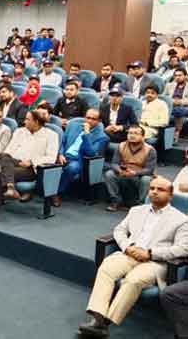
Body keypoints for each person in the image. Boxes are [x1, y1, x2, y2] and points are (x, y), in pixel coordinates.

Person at [78, 177, 188, 338]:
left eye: (160, 189)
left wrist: (150, 253)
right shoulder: (137, 210)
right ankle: (98, 318)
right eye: (152, 188)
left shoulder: (181, 220)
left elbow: (183, 248)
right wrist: (127, 247)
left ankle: (106, 324)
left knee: (134, 280)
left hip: (155, 262)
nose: (154, 192)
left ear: (171, 195)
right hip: (130, 254)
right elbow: (119, 230)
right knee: (107, 266)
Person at [0, 110, 59, 223]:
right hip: (14, 163)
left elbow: (51, 157)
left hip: (32, 168)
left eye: (27, 119)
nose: (24, 122)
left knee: (3, 174)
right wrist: (11, 160)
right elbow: (9, 151)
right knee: (4, 156)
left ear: (36, 121)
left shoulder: (51, 135)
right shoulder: (19, 132)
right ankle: (10, 187)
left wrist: (31, 162)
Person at [51, 109, 109, 206]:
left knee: (73, 167)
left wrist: (87, 134)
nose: (89, 121)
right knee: (46, 162)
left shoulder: (102, 137)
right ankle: (41, 189)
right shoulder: (73, 126)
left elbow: (91, 153)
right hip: (64, 155)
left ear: (99, 121)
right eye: (87, 118)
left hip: (79, 160)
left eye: (93, 119)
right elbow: (63, 141)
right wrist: (60, 154)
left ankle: (56, 193)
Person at [104, 125, 157, 212]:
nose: (132, 135)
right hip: (123, 173)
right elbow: (114, 163)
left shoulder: (150, 150)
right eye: (130, 133)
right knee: (109, 174)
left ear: (143, 137)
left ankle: (141, 205)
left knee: (147, 179)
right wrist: (119, 170)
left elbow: (150, 170)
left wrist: (134, 173)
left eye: (136, 133)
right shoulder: (121, 146)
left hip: (139, 175)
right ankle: (116, 201)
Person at [166, 68, 188, 142]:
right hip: (171, 107)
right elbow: (163, 97)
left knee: (179, 111)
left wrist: (179, 102)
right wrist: (172, 102)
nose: (177, 77)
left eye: (180, 75)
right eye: (175, 75)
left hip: (185, 108)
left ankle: (176, 132)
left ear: (185, 76)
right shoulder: (169, 85)